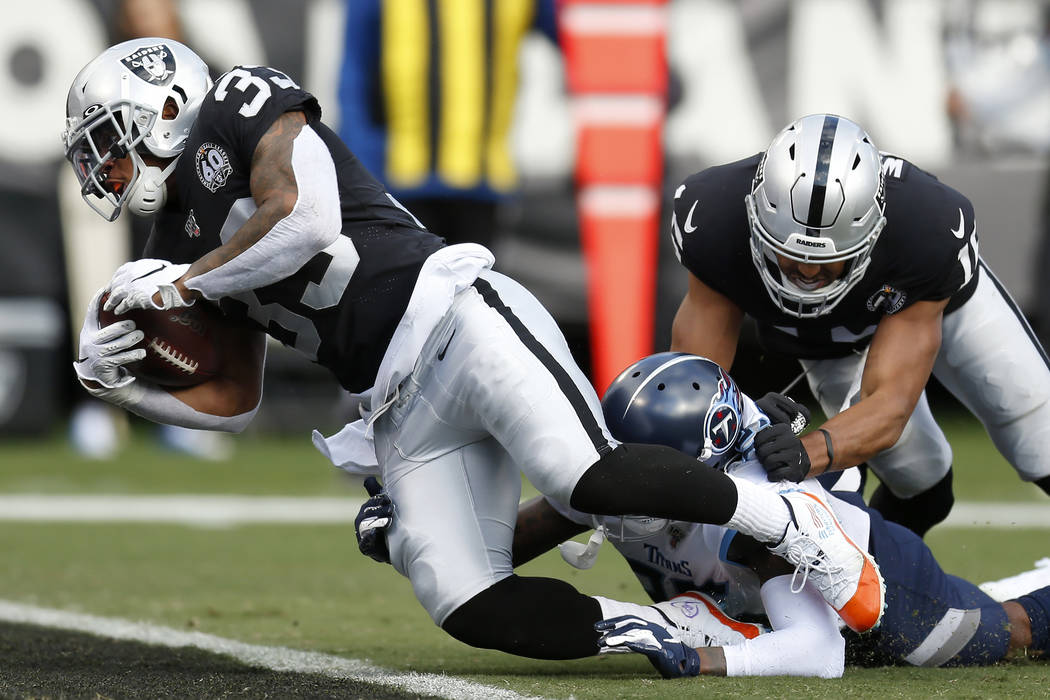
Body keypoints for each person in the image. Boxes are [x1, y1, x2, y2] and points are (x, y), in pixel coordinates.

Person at [63, 38, 885, 660]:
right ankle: (667, 629)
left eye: (108, 141)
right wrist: (125, 389)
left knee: (586, 476)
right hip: (393, 402)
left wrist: (184, 286)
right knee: (468, 602)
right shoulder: (174, 241)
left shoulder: (239, 106)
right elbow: (236, 400)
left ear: (166, 106)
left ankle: (785, 516)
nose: (104, 167)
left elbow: (303, 216)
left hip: (455, 316)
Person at [358, 352, 1050, 678]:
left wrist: (695, 656)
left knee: (1010, 631)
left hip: (879, 591)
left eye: (660, 474)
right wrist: (410, 530)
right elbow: (491, 551)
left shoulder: (763, 514)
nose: (637, 486)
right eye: (628, 464)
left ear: (710, 465)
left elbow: (817, 652)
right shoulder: (617, 475)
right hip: (768, 604)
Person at [669, 113, 1050, 537]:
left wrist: (806, 451)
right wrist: (746, 418)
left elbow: (887, 406)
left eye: (827, 260)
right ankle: (878, 594)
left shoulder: (925, 227)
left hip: (932, 306)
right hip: (830, 343)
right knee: (922, 486)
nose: (807, 274)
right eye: (788, 255)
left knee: (1040, 435)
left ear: (874, 227)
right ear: (755, 217)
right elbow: (693, 390)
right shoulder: (717, 219)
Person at [337, 0, 558, 249]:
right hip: (402, 182)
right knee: (408, 284)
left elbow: (579, 31)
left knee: (477, 285)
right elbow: (354, 75)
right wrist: (365, 178)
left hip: (483, 184)